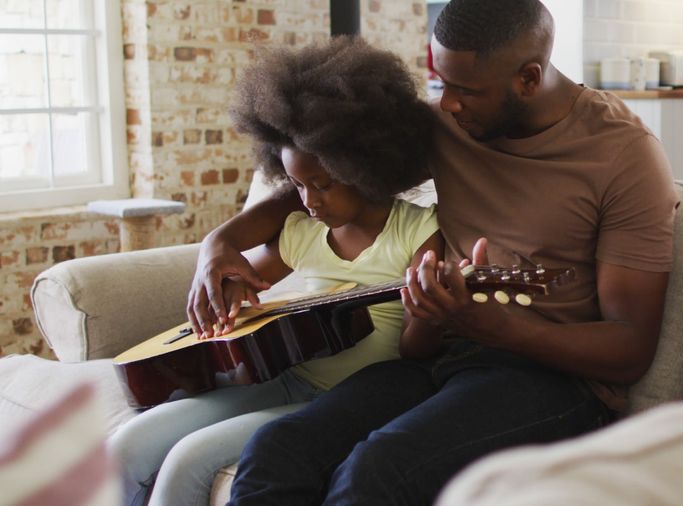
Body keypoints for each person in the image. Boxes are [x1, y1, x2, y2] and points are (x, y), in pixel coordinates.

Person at [189, 0, 678, 505]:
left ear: (528, 78)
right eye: (440, 83)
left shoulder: (623, 157)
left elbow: (630, 349)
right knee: (277, 448)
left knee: (379, 470)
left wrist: (497, 328)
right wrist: (219, 243)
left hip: (557, 382)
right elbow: (331, 182)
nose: (446, 107)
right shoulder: (457, 123)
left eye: (465, 90)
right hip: (443, 358)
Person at [109, 36, 445, 506]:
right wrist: (225, 288)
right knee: (125, 446)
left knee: (190, 458)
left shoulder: (417, 233)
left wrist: (429, 312)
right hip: (284, 375)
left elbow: (416, 353)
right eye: (297, 185)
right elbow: (246, 278)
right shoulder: (302, 230)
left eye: (323, 185)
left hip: (340, 401)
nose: (308, 200)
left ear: (366, 168)